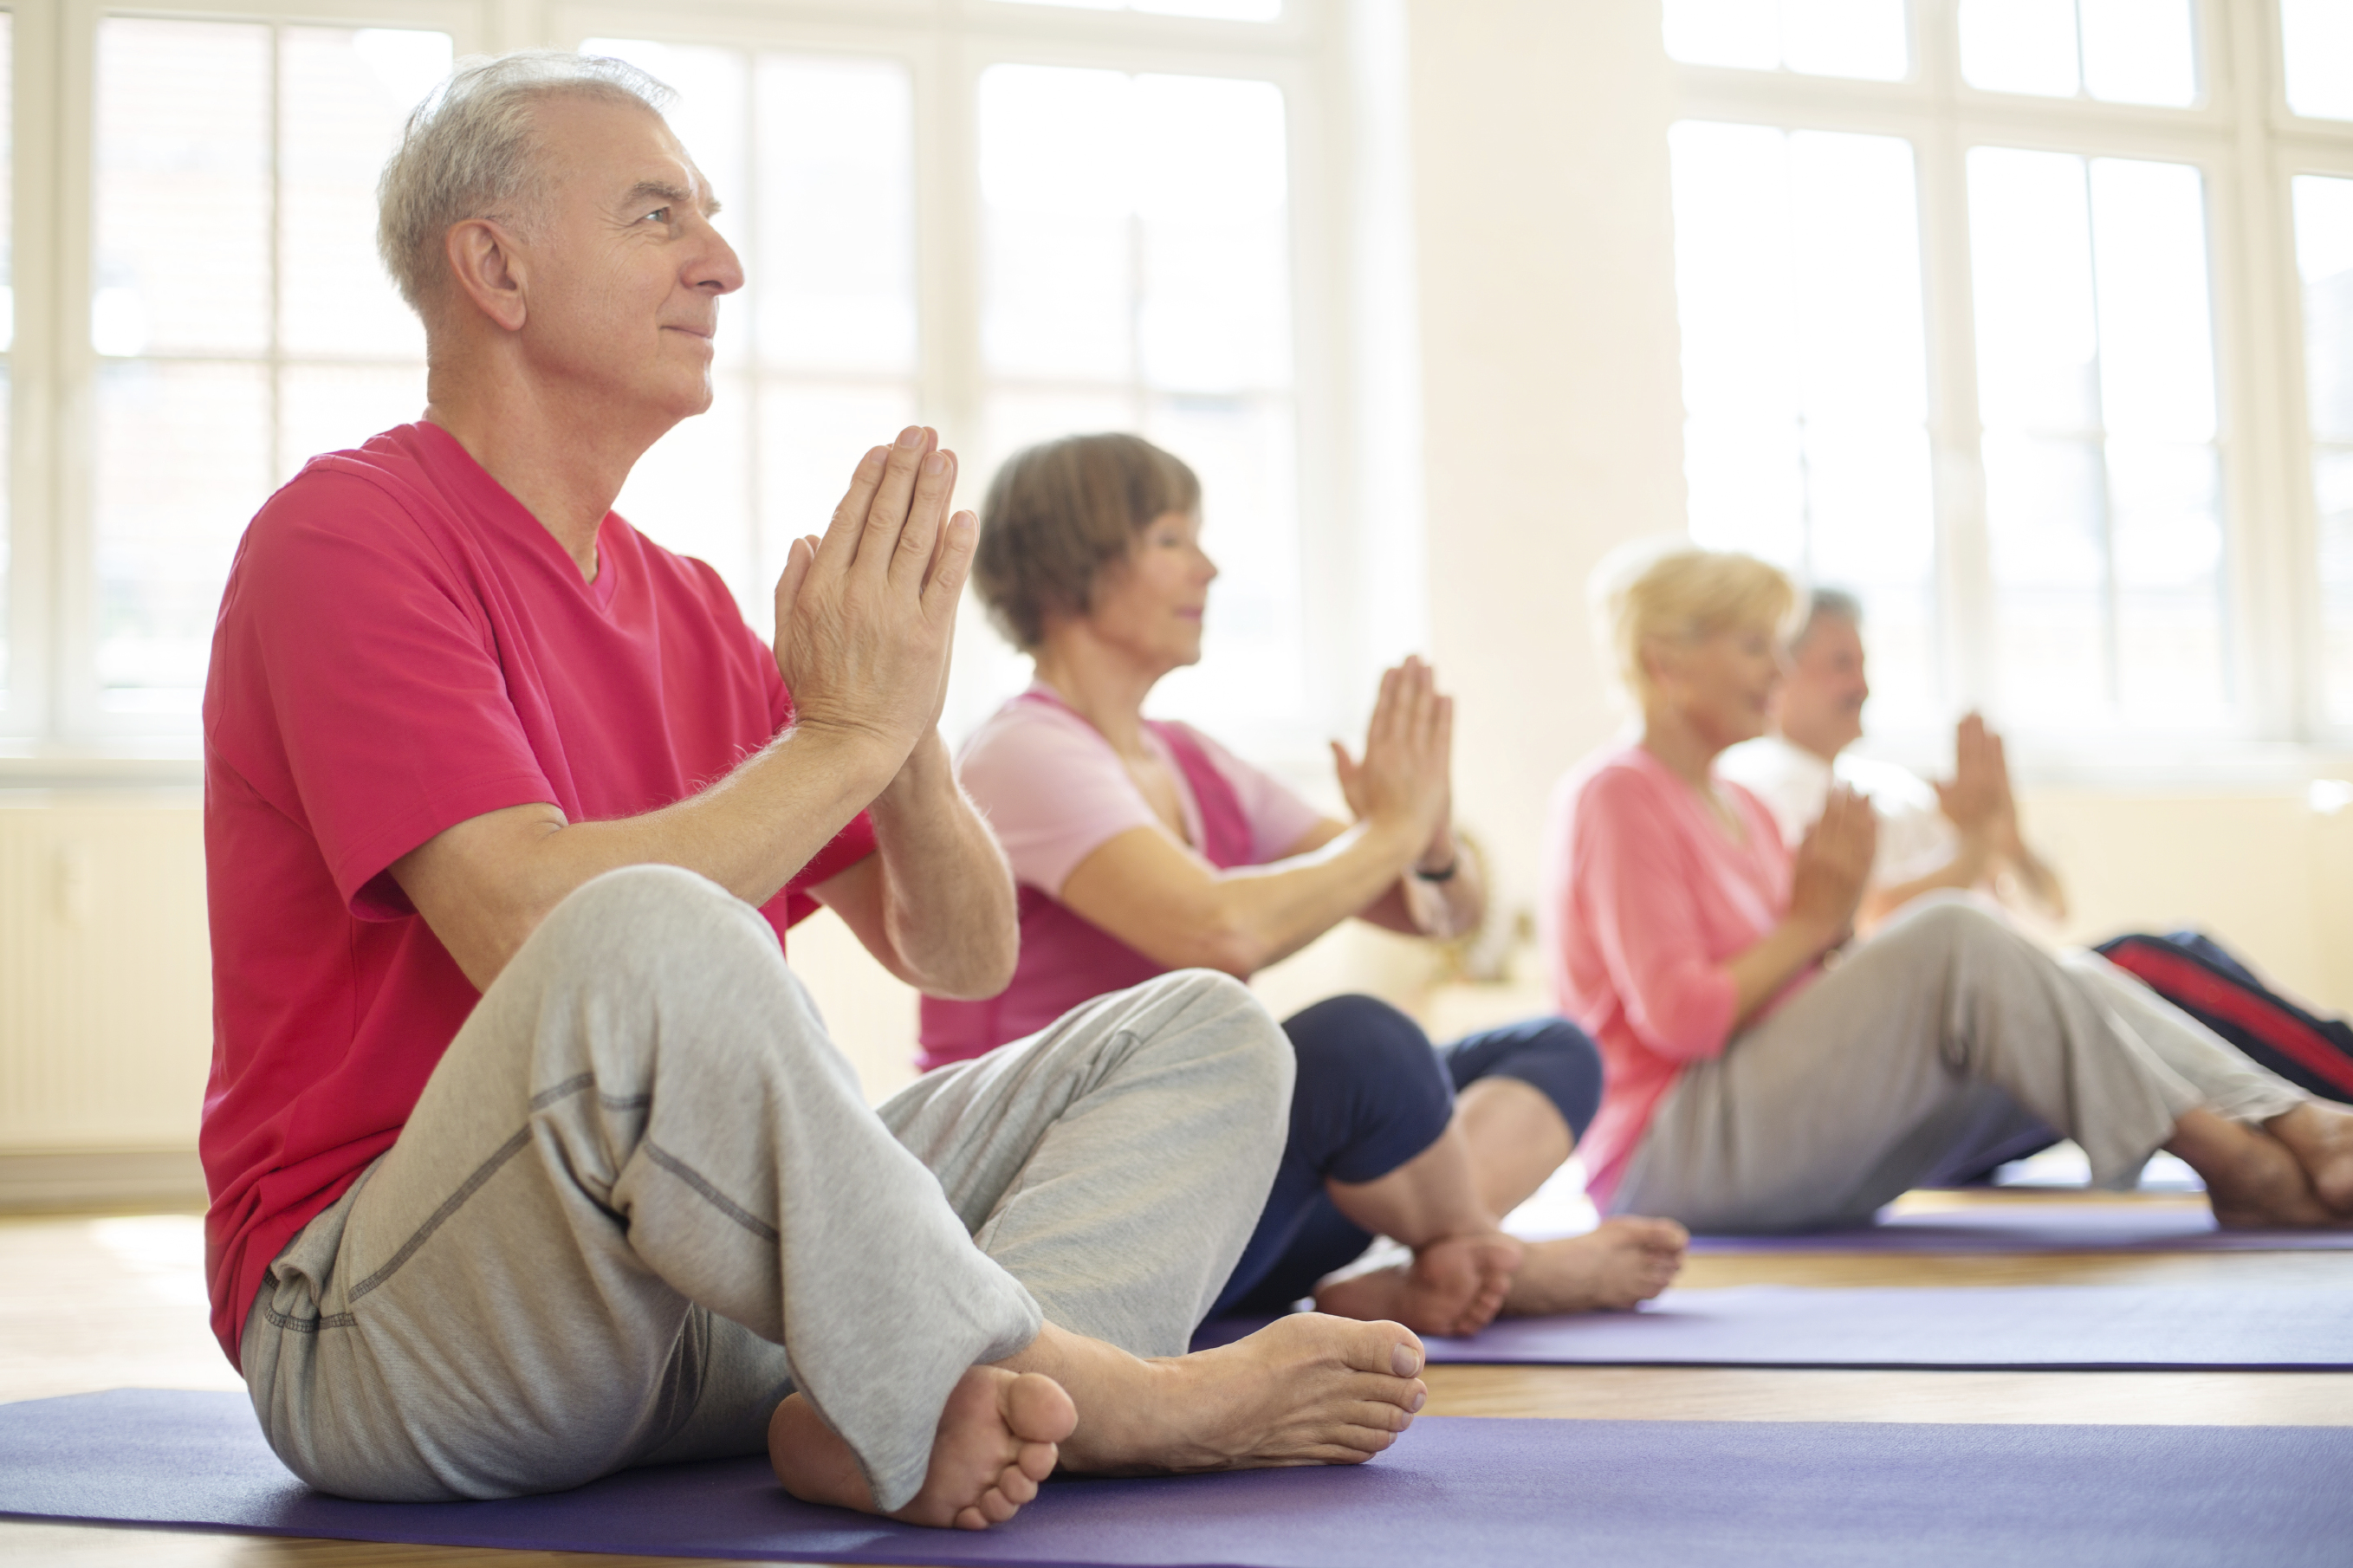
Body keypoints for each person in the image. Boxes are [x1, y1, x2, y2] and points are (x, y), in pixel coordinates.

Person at [199, 52, 1432, 1532]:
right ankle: (1097, 1389)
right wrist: (840, 734)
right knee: (645, 931)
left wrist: (900, 735)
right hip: (400, 1329)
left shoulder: (699, 611)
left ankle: (945, 1402)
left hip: (704, 1320)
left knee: (1203, 1031)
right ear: (497, 268)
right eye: (660, 216)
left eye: (707, 220)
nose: (721, 264)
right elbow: (526, 926)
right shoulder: (347, 534)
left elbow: (961, 954)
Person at [922, 433, 1688, 1339]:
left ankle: (1422, 1264)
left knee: (1553, 1049)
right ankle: (1486, 1257)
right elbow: (1218, 933)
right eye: (1171, 539)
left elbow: (1431, 909)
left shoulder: (1190, 757)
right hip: (1068, 1201)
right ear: (1063, 570)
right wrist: (1391, 835)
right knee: (1361, 1045)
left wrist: (1429, 846)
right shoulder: (1024, 750)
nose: (1206, 567)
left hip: (1212, 1195)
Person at [1539, 541, 2353, 1234]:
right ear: (1665, 662)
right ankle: (2236, 1155)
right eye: (1756, 646)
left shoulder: (1742, 805)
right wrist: (1813, 924)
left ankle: (2290, 1119)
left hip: (1769, 1122)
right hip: (1670, 1156)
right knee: (1953, 929)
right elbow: (1679, 1020)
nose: (1778, 670)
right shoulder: (1617, 794)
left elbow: (1800, 985)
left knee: (2063, 979)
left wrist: (1829, 938)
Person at [1718, 588, 2066, 934]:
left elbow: (2052, 910)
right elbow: (1855, 920)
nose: (1862, 686)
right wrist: (1974, 853)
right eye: (1842, 664)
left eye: (1862, 665)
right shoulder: (1762, 784)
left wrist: (2009, 841)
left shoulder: (1893, 785)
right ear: (1781, 673)